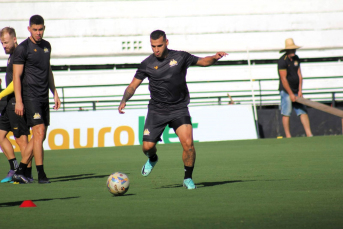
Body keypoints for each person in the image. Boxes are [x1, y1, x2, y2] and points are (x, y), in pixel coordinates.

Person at [118, 30, 227, 189]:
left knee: (188, 144)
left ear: (167, 42)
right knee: (147, 147)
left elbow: (203, 61)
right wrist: (124, 100)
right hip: (157, 110)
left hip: (179, 108)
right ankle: (153, 158)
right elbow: (132, 86)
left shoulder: (180, 57)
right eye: (153, 46)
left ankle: (188, 178)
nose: (156, 49)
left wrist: (215, 58)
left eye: (159, 45)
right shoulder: (146, 64)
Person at [12, 15, 61, 184]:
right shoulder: (23, 49)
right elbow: (17, 77)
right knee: (38, 132)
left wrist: (54, 92)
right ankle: (41, 174)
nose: (38, 33)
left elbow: (48, 71)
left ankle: (20, 171)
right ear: (29, 29)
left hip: (43, 96)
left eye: (41, 29)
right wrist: (19, 100)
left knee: (41, 136)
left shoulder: (47, 46)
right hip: (29, 96)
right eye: (35, 30)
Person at [0, 27, 33, 183]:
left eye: (6, 42)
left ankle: (27, 173)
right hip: (8, 102)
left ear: (14, 39)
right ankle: (14, 167)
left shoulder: (18, 54)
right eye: (2, 43)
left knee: (21, 140)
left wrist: (0, 94)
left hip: (16, 102)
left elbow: (15, 83)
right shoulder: (11, 55)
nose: (4, 46)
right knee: (0, 135)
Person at [278, 38, 313, 138]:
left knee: (302, 111)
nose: (293, 51)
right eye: (291, 49)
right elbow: (283, 79)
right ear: (287, 50)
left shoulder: (297, 58)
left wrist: (300, 91)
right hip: (286, 91)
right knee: (286, 112)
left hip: (296, 90)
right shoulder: (282, 61)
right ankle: (288, 136)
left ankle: (309, 134)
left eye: (294, 49)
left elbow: (299, 75)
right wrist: (291, 94)